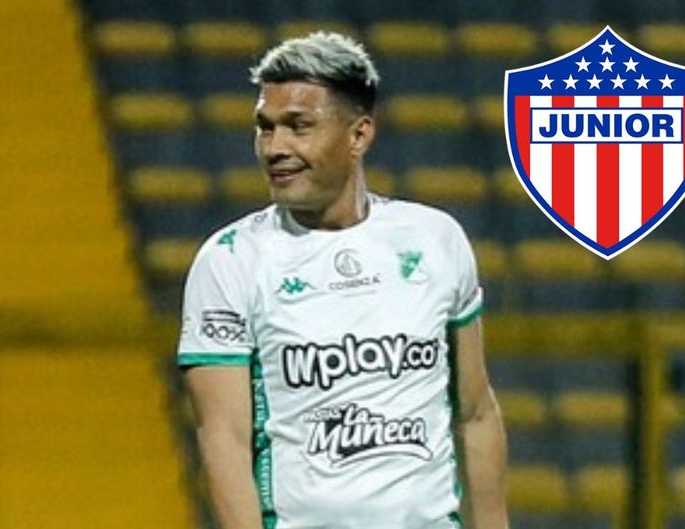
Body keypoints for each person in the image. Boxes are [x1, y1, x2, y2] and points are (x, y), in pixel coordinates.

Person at [178, 31, 509, 529]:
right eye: (265, 128)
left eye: (298, 126)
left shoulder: (435, 240)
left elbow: (476, 413)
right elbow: (223, 439)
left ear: (359, 136)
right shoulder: (230, 260)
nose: (275, 148)